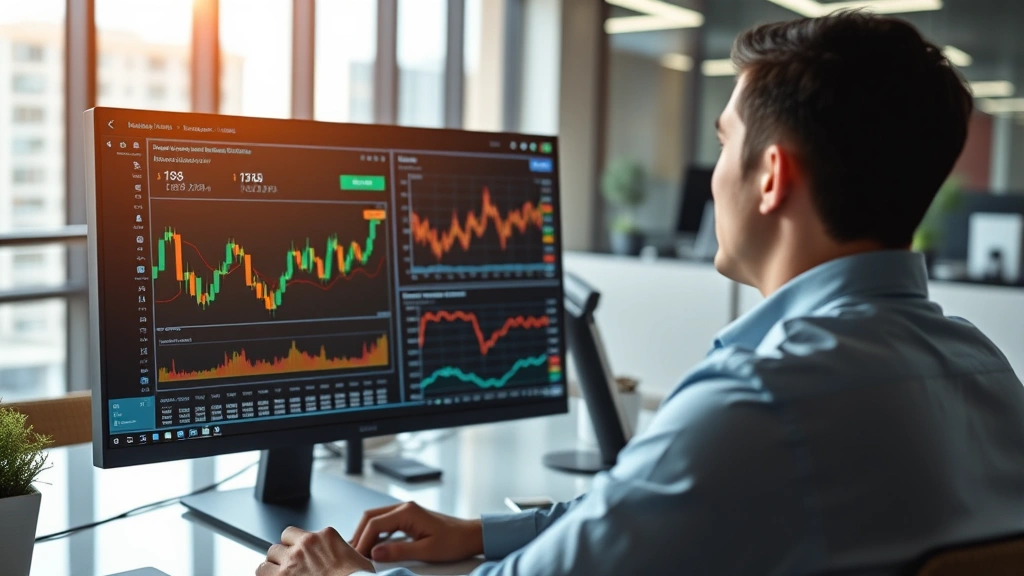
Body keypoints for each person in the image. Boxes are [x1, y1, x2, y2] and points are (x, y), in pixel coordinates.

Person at [257, 11, 1024, 576]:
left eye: (723, 142)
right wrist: (483, 533)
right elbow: (654, 508)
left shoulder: (761, 400)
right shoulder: (988, 370)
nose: (714, 171)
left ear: (770, 177)